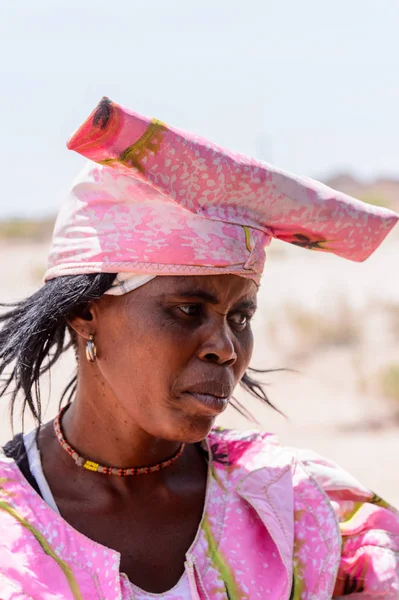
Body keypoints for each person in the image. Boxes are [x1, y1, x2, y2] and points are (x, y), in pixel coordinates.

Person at [0, 97, 398, 600]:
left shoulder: (299, 508)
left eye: (241, 317)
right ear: (86, 311)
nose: (226, 348)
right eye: (188, 309)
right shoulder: (11, 529)